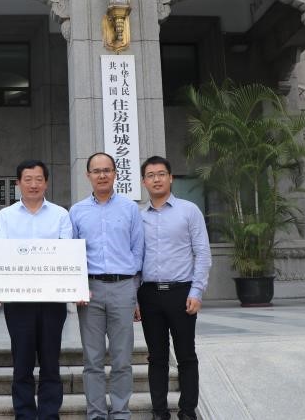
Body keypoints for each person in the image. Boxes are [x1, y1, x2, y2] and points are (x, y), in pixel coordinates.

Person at [0, 159, 73, 420]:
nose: (33, 184)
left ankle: (49, 414)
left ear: (46, 182)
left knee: (50, 361)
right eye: (28, 179)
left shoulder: (60, 214)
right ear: (18, 183)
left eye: (39, 179)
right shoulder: (6, 216)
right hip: (18, 301)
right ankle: (24, 414)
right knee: (22, 362)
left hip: (53, 300)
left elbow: (66, 254)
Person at [69, 152, 144, 420]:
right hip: (90, 290)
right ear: (88, 175)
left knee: (122, 359)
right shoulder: (76, 211)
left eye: (107, 170)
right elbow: (71, 255)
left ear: (115, 173)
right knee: (93, 360)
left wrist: (134, 293)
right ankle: (97, 414)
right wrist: (77, 287)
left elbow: (138, 252)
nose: (102, 175)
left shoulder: (130, 208)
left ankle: (121, 412)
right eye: (96, 171)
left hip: (123, 288)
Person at [138, 156, 211, 420]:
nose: (156, 179)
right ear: (143, 181)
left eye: (161, 174)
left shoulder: (189, 211)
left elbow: (202, 252)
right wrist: (135, 297)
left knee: (186, 356)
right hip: (149, 294)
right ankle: (160, 413)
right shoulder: (138, 217)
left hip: (182, 293)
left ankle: (187, 412)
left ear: (170, 178)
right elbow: (135, 258)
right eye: (150, 175)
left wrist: (197, 291)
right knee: (156, 357)